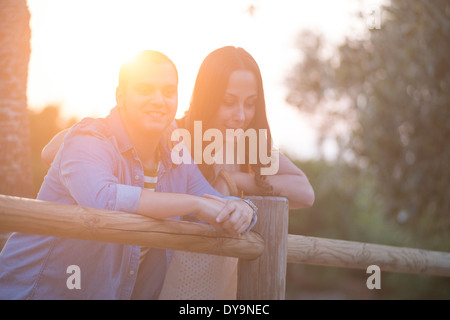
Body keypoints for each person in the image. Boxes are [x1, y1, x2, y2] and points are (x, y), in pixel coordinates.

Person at [40, 46, 315, 299]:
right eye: (229, 102)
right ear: (208, 97)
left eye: (251, 103)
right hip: (163, 285)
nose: (241, 115)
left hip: (218, 288)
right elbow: (52, 150)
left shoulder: (249, 145)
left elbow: (304, 193)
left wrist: (233, 179)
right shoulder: (175, 133)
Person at [0, 50, 256, 300]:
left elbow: (216, 202)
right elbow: (104, 199)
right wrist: (195, 204)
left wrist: (245, 209)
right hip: (32, 292)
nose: (159, 100)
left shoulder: (175, 155)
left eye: (168, 92)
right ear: (120, 96)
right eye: (144, 89)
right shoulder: (88, 140)